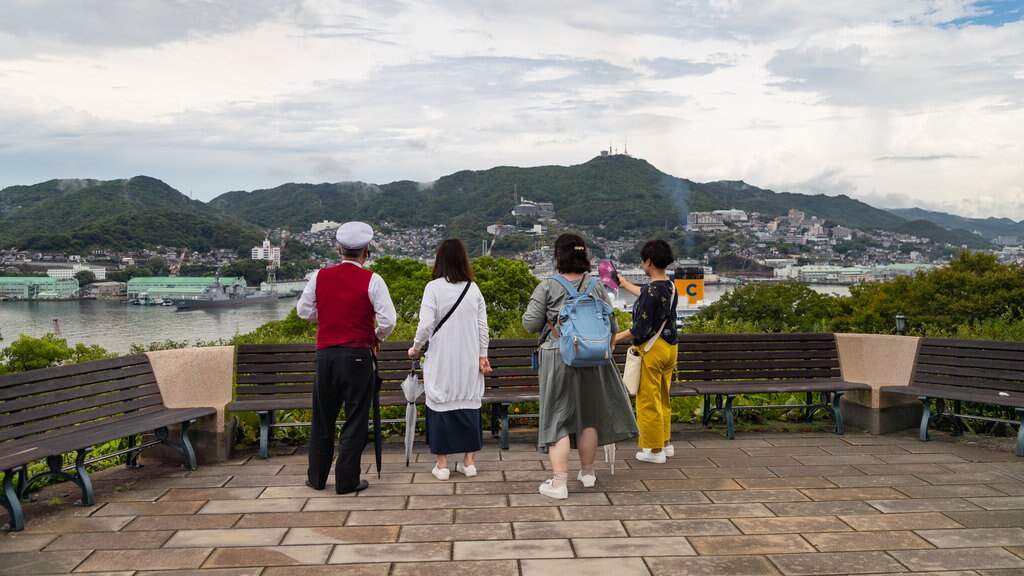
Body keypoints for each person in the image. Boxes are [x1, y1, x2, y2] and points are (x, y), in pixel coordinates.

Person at [522, 233, 638, 499]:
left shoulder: (548, 286)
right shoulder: (595, 286)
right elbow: (614, 326)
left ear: (558, 256)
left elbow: (529, 324)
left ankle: (559, 482)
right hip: (593, 358)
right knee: (588, 418)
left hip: (558, 356)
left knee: (557, 418)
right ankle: (587, 473)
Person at [296, 221, 397, 494]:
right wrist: (376, 335)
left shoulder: (319, 276)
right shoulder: (373, 280)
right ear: (366, 251)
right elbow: (389, 320)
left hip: (325, 355)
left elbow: (303, 312)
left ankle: (316, 478)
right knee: (356, 418)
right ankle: (347, 479)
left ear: (339, 249)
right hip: (357, 356)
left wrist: (328, 316)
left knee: (323, 418)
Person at [407, 239, 492, 480]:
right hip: (469, 358)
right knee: (468, 403)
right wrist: (482, 355)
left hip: (442, 359)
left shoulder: (433, 288)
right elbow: (483, 327)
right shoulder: (473, 288)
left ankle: (442, 465)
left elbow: (425, 325)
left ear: (439, 259)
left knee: (440, 403)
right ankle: (469, 462)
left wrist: (415, 348)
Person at [612, 239, 678, 464]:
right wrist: (623, 283)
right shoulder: (669, 285)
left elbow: (641, 327)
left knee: (648, 399)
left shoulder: (652, 290)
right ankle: (666, 443)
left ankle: (655, 450)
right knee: (662, 396)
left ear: (648, 262)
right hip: (670, 347)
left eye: (642, 261)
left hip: (652, 349)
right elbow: (646, 293)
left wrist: (615, 338)